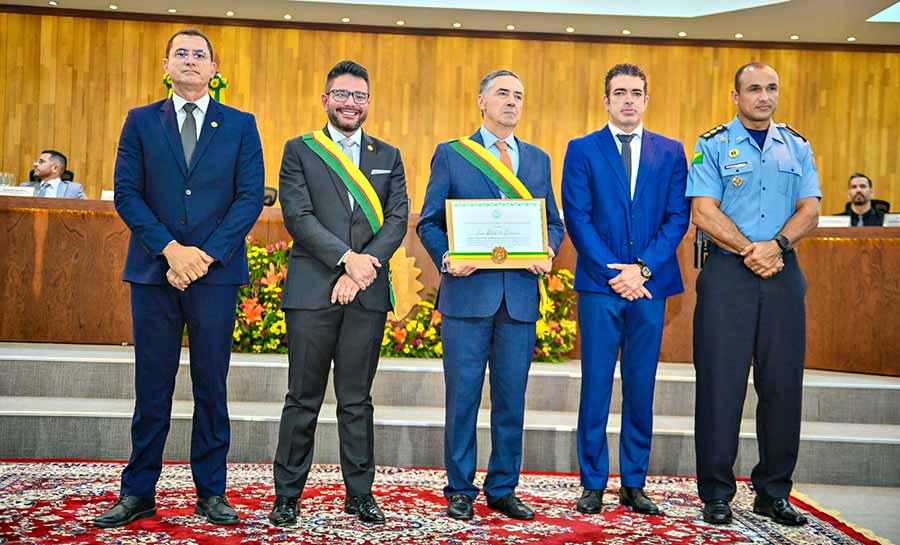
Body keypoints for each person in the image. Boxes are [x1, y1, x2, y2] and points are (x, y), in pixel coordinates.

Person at [93, 28, 264, 528]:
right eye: (181, 53)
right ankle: (138, 491)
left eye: (200, 55)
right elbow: (127, 194)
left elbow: (249, 197)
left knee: (212, 386)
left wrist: (203, 256)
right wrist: (171, 250)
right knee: (152, 387)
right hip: (154, 272)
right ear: (165, 64)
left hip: (215, 276)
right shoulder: (141, 121)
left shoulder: (239, 124)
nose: (191, 61)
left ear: (215, 68)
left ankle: (212, 493)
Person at [417, 69, 565, 521]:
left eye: (519, 95)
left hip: (518, 298)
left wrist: (549, 251)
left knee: (511, 399)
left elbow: (553, 223)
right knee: (462, 397)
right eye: (503, 93)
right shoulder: (453, 154)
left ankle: (502, 487)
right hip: (467, 295)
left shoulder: (538, 160)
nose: (512, 102)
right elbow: (428, 222)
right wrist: (446, 258)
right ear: (481, 101)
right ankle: (459, 488)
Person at [269, 60, 409, 526]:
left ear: (369, 103)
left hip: (366, 293)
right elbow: (298, 216)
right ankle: (287, 494)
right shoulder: (300, 151)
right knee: (302, 398)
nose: (351, 103)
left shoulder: (388, 153)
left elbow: (397, 218)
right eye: (342, 95)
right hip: (313, 292)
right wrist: (346, 260)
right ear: (325, 99)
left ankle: (360, 494)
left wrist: (362, 267)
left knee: (356, 399)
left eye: (359, 96)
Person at [686, 61, 820, 526]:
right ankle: (717, 493)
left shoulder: (797, 146)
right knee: (721, 387)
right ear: (736, 95)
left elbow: (811, 209)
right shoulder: (712, 144)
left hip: (783, 276)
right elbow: (703, 211)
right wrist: (750, 250)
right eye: (754, 89)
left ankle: (773, 492)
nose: (764, 96)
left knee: (783, 388)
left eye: (771, 88)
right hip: (728, 276)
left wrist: (776, 246)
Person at [561, 63, 690, 516]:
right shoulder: (581, 149)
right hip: (600, 287)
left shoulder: (672, 152)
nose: (629, 99)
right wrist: (616, 271)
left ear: (647, 99)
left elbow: (678, 217)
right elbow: (576, 217)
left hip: (650, 290)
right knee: (595, 386)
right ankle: (593, 482)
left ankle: (634, 483)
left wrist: (643, 270)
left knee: (641, 385)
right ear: (607, 100)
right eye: (620, 92)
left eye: (636, 92)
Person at [21, 150, 86, 199]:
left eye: (41, 162)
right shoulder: (25, 187)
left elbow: (90, 210)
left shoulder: (73, 189)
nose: (35, 164)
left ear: (55, 168)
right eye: (36, 161)